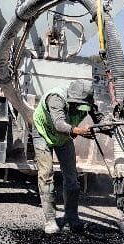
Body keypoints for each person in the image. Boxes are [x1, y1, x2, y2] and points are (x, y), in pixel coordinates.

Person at [32, 80, 98, 234]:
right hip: (44, 133)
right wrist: (79, 131)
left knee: (72, 178)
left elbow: (99, 119)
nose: (78, 109)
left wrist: (108, 128)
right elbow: (59, 124)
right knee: (46, 176)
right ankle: (50, 220)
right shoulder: (56, 98)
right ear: (70, 99)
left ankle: (71, 216)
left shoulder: (88, 101)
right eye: (75, 105)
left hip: (64, 138)